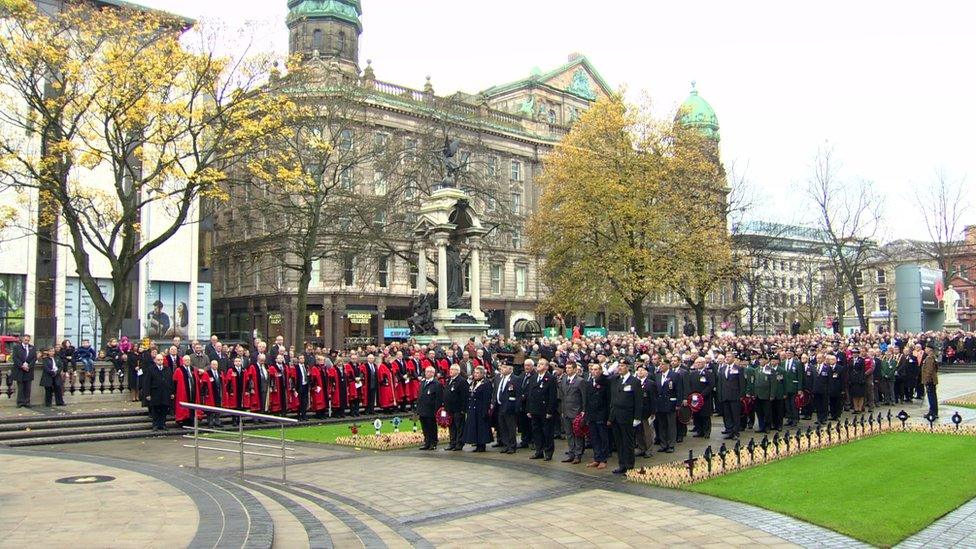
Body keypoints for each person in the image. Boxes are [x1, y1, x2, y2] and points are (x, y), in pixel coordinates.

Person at [608, 357, 642, 474]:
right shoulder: (615, 380)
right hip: (616, 416)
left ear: (627, 367)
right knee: (619, 442)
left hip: (628, 416)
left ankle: (629, 465)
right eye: (619, 366)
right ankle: (621, 464)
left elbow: (638, 401)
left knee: (628, 442)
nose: (620, 368)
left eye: (622, 366)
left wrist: (637, 417)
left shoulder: (634, 381)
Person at [526, 358, 557, 461]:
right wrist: (529, 409)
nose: (538, 365)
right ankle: (539, 451)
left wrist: (550, 411)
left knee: (547, 432)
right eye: (538, 363)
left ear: (547, 367)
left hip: (545, 410)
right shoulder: (533, 378)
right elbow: (530, 394)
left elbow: (552, 396)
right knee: (536, 431)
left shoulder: (551, 378)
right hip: (535, 409)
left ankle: (548, 452)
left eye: (541, 364)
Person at [583, 362, 610, 469]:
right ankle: (597, 458)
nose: (594, 371)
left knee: (603, 437)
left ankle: (603, 459)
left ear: (600, 371)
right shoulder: (589, 383)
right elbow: (587, 400)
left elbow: (608, 399)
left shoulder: (605, 382)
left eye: (596, 369)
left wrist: (608, 416)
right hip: (592, 414)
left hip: (601, 414)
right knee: (594, 437)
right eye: (592, 370)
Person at [558, 361, 586, 464]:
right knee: (569, 434)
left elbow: (584, 397)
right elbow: (562, 395)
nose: (567, 369)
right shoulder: (564, 379)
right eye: (567, 367)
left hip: (576, 411)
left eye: (570, 368)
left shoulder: (580, 381)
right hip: (565, 410)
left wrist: (583, 411)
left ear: (575, 369)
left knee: (577, 434)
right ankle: (571, 453)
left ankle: (578, 454)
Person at [462, 366, 493, 452]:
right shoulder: (473, 382)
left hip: (481, 409)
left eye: (477, 373)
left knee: (481, 428)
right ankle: (477, 444)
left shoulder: (486, 383)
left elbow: (486, 398)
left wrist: (485, 411)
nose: (475, 375)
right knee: (474, 427)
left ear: (482, 374)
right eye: (474, 373)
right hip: (472, 408)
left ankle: (482, 445)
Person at [655, 358, 682, 453]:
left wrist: (678, 403)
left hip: (670, 403)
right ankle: (663, 444)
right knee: (661, 425)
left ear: (667, 365)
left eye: (663, 364)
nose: (661, 366)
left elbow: (679, 390)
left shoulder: (674, 375)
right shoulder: (657, 376)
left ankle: (671, 445)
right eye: (660, 364)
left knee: (671, 425)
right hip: (660, 403)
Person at [492, 363, 520, 454]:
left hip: (510, 407)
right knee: (502, 427)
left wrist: (516, 407)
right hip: (500, 406)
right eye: (501, 367)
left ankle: (512, 445)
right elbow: (496, 391)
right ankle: (506, 444)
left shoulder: (515, 379)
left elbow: (518, 394)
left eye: (504, 367)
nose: (502, 369)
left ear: (510, 369)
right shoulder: (499, 378)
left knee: (510, 427)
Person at [718, 355, 746, 439]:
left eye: (729, 357)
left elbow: (742, 383)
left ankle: (735, 432)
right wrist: (720, 395)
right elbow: (720, 383)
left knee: (735, 415)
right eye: (726, 357)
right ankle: (729, 431)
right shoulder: (722, 369)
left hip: (735, 396)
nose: (727, 358)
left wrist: (741, 395)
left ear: (733, 358)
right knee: (727, 415)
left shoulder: (738, 368)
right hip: (725, 395)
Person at [144, 353, 174, 431]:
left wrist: (172, 392)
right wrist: (147, 394)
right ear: (155, 360)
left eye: (161, 360)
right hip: (155, 393)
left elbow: (171, 381)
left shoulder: (167, 369)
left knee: (164, 409)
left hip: (165, 393)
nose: (160, 361)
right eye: (158, 360)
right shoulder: (151, 369)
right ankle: (155, 425)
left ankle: (163, 424)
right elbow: (147, 382)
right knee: (155, 409)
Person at [417, 366, 444, 450]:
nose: (427, 373)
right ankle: (427, 442)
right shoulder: (423, 382)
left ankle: (433, 443)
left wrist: (436, 411)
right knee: (424, 427)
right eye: (426, 371)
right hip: (422, 409)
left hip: (431, 410)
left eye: (429, 372)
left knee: (431, 427)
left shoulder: (437, 384)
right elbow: (420, 396)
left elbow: (438, 399)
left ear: (433, 373)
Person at [443, 364, 469, 451]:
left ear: (458, 371)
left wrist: (463, 409)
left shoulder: (462, 381)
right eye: (450, 369)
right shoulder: (449, 380)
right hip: (449, 408)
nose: (451, 371)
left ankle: (459, 443)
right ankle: (452, 443)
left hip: (458, 409)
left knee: (459, 427)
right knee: (451, 426)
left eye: (453, 369)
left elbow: (465, 396)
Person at [11, 334, 36, 408]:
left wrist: (28, 366)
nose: (27, 341)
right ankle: (20, 402)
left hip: (29, 370)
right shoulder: (17, 347)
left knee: (28, 387)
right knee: (21, 387)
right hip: (19, 370)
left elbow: (34, 358)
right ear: (22, 339)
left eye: (28, 340)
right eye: (25, 340)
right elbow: (15, 358)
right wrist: (22, 365)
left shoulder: (32, 347)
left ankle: (27, 402)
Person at [172, 355, 198, 427]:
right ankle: (184, 422)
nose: (187, 361)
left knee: (192, 406)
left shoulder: (193, 369)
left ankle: (191, 421)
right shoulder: (179, 370)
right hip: (183, 393)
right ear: (183, 361)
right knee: (184, 407)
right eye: (186, 360)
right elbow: (174, 382)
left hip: (192, 392)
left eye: (188, 360)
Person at [199, 360, 223, 428]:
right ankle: (210, 422)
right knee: (210, 409)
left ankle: (217, 421)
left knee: (218, 408)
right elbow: (204, 384)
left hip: (218, 393)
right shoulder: (207, 373)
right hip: (210, 394)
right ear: (211, 365)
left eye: (216, 365)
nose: (215, 366)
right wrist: (205, 393)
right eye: (213, 364)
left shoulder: (220, 373)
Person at [223, 357, 246, 426]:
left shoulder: (243, 370)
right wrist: (230, 391)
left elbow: (247, 380)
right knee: (234, 406)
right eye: (236, 361)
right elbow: (228, 381)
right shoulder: (231, 370)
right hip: (233, 392)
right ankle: (234, 420)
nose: (238, 362)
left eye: (239, 361)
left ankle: (240, 420)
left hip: (241, 391)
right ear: (234, 363)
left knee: (240, 406)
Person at [921, 345, 939, 419]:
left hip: (929, 380)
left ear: (930, 349)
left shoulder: (929, 358)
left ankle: (932, 412)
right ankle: (934, 411)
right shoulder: (933, 357)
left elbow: (929, 370)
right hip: (932, 380)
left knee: (931, 396)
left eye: (926, 348)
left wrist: (927, 380)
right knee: (933, 396)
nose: (925, 349)